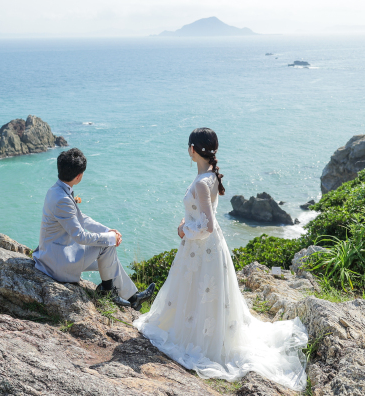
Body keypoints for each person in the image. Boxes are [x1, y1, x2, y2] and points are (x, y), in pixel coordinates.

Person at [133, 128, 308, 391]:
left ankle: (199, 339)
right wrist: (187, 223)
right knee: (202, 293)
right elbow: (205, 217)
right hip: (209, 249)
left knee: (196, 289)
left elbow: (207, 226)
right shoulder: (211, 176)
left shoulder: (202, 182)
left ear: (193, 149)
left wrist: (183, 229)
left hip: (201, 248)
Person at [33, 148, 155, 310]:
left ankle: (133, 298)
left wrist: (108, 231)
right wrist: (110, 238)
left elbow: (81, 218)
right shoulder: (63, 199)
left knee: (108, 260)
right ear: (79, 176)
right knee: (107, 246)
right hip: (57, 264)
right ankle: (108, 292)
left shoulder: (55, 190)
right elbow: (81, 237)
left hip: (55, 254)